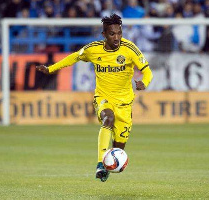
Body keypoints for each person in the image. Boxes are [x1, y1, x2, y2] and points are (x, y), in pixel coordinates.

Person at [36, 14, 153, 182]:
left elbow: (148, 71)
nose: (117, 37)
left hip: (125, 103)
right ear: (104, 34)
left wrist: (145, 82)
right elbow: (74, 57)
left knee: (119, 148)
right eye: (112, 34)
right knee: (108, 119)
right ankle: (100, 164)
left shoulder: (130, 49)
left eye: (119, 33)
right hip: (103, 97)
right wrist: (51, 69)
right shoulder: (93, 49)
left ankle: (107, 166)